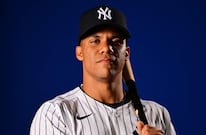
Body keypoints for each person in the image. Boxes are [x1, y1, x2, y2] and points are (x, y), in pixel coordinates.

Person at [30, 5, 176, 135]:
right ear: (79, 52)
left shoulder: (157, 114)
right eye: (95, 41)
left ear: (127, 53)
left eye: (116, 42)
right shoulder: (56, 113)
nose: (106, 48)